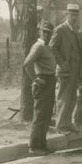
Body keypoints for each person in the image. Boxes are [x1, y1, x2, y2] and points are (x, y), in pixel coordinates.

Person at [22, 19, 57, 155]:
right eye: (44, 32)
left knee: (47, 114)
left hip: (50, 80)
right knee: (39, 115)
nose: (47, 35)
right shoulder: (38, 46)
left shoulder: (48, 46)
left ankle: (42, 144)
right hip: (43, 81)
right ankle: (34, 146)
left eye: (49, 33)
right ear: (40, 32)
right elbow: (26, 64)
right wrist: (36, 80)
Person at [48, 3, 82, 133]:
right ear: (66, 15)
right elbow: (52, 48)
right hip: (65, 70)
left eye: (76, 15)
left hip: (75, 70)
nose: (74, 18)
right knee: (63, 98)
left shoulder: (75, 31)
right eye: (72, 15)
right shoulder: (60, 30)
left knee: (72, 98)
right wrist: (62, 63)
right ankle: (60, 126)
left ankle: (68, 123)